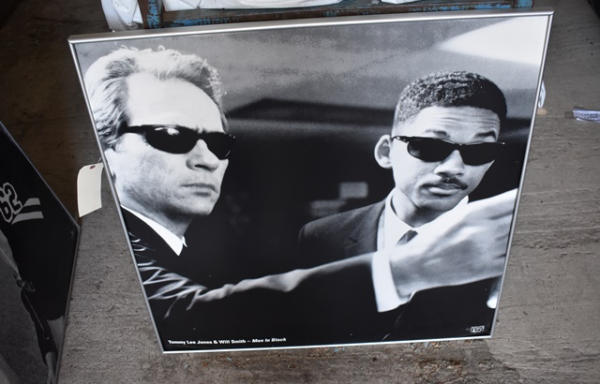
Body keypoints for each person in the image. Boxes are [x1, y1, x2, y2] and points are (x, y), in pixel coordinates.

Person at [85, 49, 514, 350]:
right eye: (170, 135)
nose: (208, 159)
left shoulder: (191, 247)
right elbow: (189, 318)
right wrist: (407, 269)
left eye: (218, 142)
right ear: (105, 151)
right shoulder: (104, 249)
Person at [297, 71, 517, 341]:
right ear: (386, 152)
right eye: (430, 146)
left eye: (480, 151)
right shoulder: (320, 236)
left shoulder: (508, 248)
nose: (454, 168)